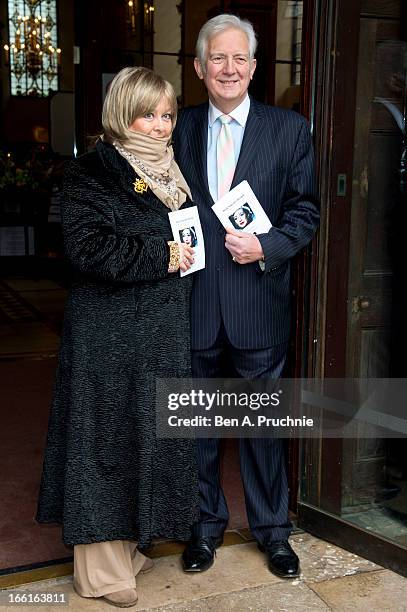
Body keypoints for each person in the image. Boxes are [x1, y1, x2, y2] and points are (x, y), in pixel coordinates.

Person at [36, 67, 199, 608]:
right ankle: (100, 574)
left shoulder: (173, 169)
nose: (159, 126)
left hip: (157, 331)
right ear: (121, 114)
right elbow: (85, 250)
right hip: (109, 336)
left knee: (146, 439)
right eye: (147, 114)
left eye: (167, 115)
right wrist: (163, 255)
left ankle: (127, 548)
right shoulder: (91, 171)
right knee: (105, 443)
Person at [173, 14, 319, 578]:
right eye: (218, 58)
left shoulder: (289, 129)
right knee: (199, 430)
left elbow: (305, 211)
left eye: (239, 59)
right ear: (199, 68)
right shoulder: (176, 129)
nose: (228, 68)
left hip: (259, 302)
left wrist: (268, 246)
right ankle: (204, 528)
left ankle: (273, 532)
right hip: (193, 306)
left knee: (261, 428)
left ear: (255, 67)